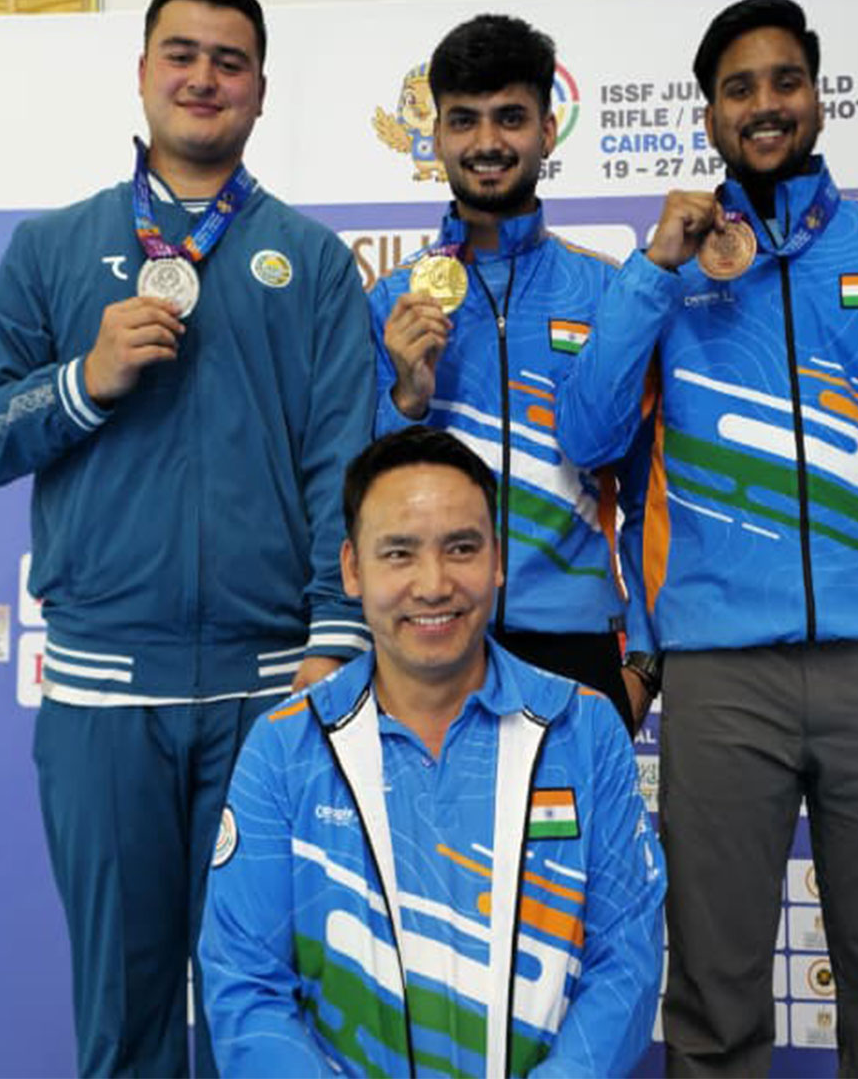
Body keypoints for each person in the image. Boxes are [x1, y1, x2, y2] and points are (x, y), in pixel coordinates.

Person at [556, 0, 858, 1076]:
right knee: (712, 990)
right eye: (738, 88)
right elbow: (586, 430)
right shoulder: (671, 265)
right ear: (708, 115)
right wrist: (653, 269)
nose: (764, 106)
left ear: (815, 94)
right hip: (718, 675)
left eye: (783, 82)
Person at [0, 0, 373, 1077]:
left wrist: (336, 636)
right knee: (127, 1024)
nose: (203, 78)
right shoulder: (51, 249)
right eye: (181, 55)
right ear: (141, 73)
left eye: (229, 61)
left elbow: (344, 460)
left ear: (261, 90)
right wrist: (85, 378)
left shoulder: (315, 263)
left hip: (268, 695)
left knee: (269, 1015)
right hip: (104, 698)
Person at [200, 425, 666, 1076]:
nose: (433, 583)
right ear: (352, 569)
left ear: (498, 560)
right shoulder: (285, 749)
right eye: (399, 554)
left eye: (461, 548)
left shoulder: (583, 731)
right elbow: (246, 987)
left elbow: (627, 963)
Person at [368, 13, 651, 733]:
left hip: (574, 643)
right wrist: (406, 397)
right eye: (464, 120)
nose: (488, 143)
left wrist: (646, 659)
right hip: (427, 632)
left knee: (574, 850)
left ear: (548, 132)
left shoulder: (607, 293)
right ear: (435, 139)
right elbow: (355, 492)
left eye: (511, 118)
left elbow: (653, 496)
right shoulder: (388, 301)